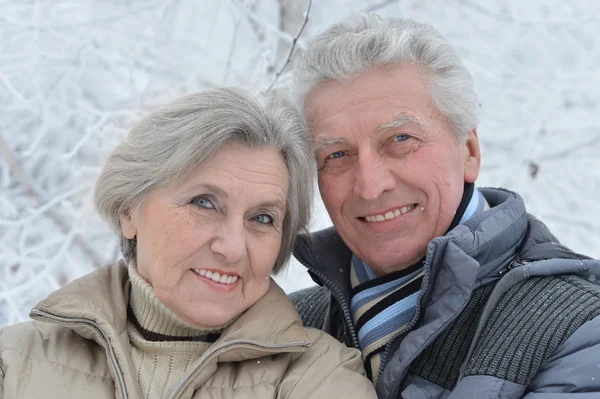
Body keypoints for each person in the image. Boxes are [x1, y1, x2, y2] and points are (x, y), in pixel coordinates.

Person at [289, 13, 600, 399]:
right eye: (336, 154)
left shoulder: (576, 326)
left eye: (400, 138)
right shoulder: (287, 331)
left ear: (469, 151)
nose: (370, 186)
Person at [0, 88, 377, 399]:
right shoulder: (14, 363)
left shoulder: (319, 378)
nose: (232, 247)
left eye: (262, 218)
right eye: (204, 203)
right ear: (130, 210)